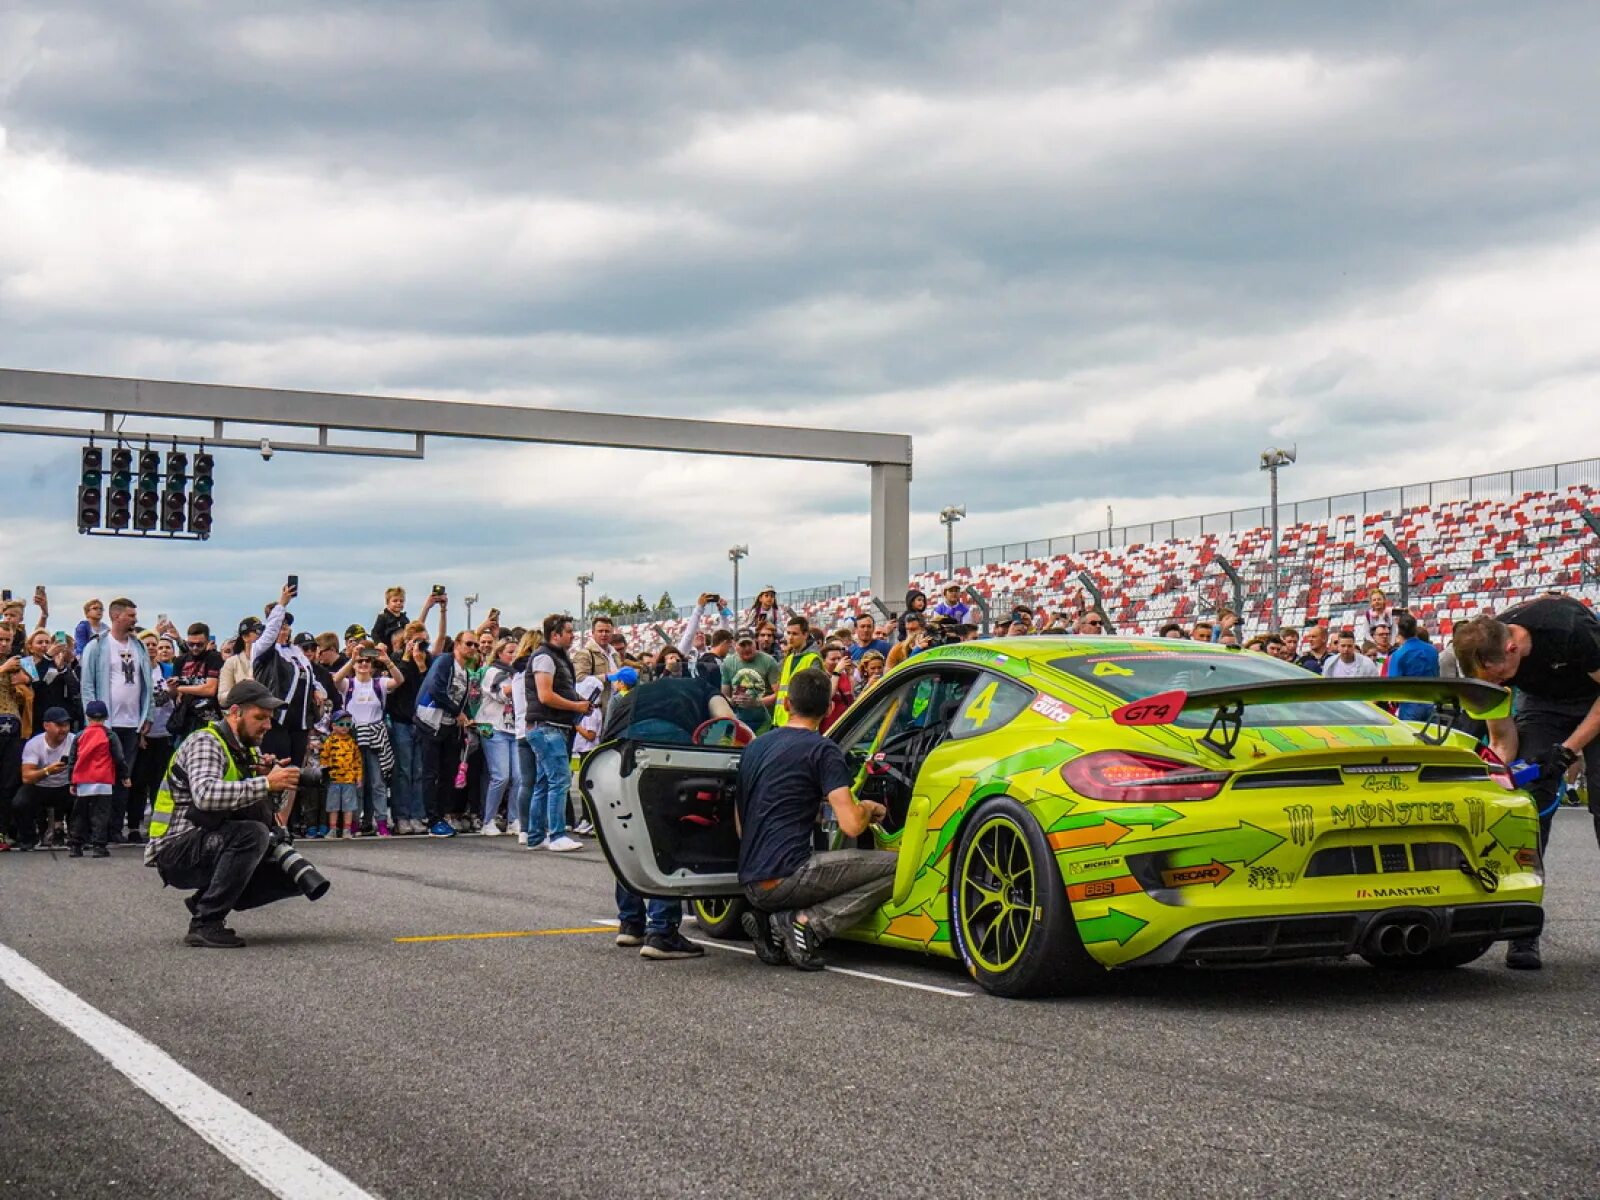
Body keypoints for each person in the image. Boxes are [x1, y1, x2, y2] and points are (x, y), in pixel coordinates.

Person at [1452, 596, 1600, 970]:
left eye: (1502, 676)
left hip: (1593, 696)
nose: (1501, 683)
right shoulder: (1487, 662)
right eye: (1493, 682)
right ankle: (1523, 931)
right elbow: (1502, 740)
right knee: (1529, 807)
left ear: (1512, 648)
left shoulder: (1570, 630)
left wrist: (1567, 751)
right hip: (1544, 705)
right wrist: (1500, 782)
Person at [736, 669, 896, 971]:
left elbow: (741, 819)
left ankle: (769, 917)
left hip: (749, 879)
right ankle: (807, 923)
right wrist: (869, 808)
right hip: (789, 875)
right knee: (900, 869)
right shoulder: (823, 750)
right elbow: (851, 824)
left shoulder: (755, 747)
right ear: (827, 709)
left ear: (786, 704)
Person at [144, 680, 307, 948]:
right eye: (260, 717)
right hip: (175, 848)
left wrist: (273, 784)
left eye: (270, 719)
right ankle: (205, 923)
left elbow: (268, 811)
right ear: (235, 712)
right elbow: (206, 794)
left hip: (207, 838)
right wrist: (265, 783)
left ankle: (205, 899)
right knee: (252, 835)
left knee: (291, 870)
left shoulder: (246, 750)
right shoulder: (206, 742)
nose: (267, 726)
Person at [601, 665, 737, 960]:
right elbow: (727, 723)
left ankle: (630, 923)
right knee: (667, 833)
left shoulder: (643, 690)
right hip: (665, 741)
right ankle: (662, 932)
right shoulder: (704, 689)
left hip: (613, 749)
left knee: (629, 832)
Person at [79, 597, 152, 843]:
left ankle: (114, 828)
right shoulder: (98, 646)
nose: (135, 620)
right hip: (105, 723)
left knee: (124, 777)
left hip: (132, 723)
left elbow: (147, 684)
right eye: (130, 616)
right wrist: (92, 718)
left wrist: (147, 715)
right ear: (116, 616)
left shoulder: (138, 646)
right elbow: (87, 684)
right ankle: (94, 829)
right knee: (100, 777)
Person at [524, 613, 594, 852]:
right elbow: (545, 696)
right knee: (559, 780)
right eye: (569, 631)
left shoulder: (556, 657)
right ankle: (556, 835)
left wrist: (580, 701)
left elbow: (557, 691)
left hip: (548, 727)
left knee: (544, 783)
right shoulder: (545, 657)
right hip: (547, 727)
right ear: (556, 634)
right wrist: (576, 706)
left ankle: (535, 836)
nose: (573, 635)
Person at [331, 643, 402, 836]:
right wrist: (351, 659)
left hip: (375, 737)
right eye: (360, 661)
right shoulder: (349, 684)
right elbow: (336, 679)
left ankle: (380, 822)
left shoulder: (379, 683)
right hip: (353, 737)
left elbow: (399, 680)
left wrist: (387, 660)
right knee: (356, 783)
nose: (363, 664)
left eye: (367, 661)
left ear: (372, 665)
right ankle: (353, 822)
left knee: (378, 783)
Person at [415, 627, 472, 837]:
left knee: (448, 772)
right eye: (469, 643)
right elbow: (436, 689)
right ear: (457, 644)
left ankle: (440, 815)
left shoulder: (465, 671)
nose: (472, 648)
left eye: (474, 645)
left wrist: (466, 715)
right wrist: (458, 712)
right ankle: (432, 819)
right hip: (431, 723)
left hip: (449, 727)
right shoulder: (445, 662)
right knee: (430, 773)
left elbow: (461, 699)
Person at [66, 700, 130, 857]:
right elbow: (119, 757)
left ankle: (76, 846)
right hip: (103, 780)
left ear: (87, 717)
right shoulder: (110, 735)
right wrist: (124, 775)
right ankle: (99, 847)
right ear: (106, 717)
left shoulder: (80, 736)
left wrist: (72, 781)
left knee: (80, 814)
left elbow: (72, 760)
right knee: (100, 815)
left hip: (83, 780)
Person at [476, 636, 522, 835]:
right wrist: (522, 680)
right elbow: (502, 694)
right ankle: (488, 820)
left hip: (514, 729)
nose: (514, 656)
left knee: (519, 777)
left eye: (516, 652)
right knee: (500, 776)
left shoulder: (518, 674)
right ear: (500, 653)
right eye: (510, 652)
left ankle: (514, 819)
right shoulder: (493, 672)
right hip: (495, 728)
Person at [15, 706, 74, 850]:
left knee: (87, 795)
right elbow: (26, 777)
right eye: (59, 725)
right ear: (46, 726)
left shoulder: (75, 741)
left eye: (66, 725)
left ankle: (77, 836)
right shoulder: (34, 744)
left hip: (66, 786)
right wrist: (48, 771)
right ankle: (28, 838)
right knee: (20, 803)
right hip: (40, 787)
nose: (64, 729)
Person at [1385, 611, 1440, 722]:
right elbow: (1436, 673)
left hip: (1410, 705)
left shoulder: (1398, 655)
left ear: (1399, 632)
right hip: (1430, 702)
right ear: (1415, 629)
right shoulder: (1432, 650)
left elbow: (1393, 684)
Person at [722, 630, 780, 732]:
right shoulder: (728, 663)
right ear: (735, 645)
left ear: (755, 642)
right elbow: (724, 695)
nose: (747, 648)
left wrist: (756, 702)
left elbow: (779, 694)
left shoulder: (768, 661)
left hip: (766, 721)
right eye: (743, 645)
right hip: (739, 721)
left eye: (749, 644)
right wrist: (733, 701)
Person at [319, 711, 364, 838]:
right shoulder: (330, 741)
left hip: (349, 780)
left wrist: (359, 776)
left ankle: (347, 829)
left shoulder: (352, 742)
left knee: (348, 807)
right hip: (334, 779)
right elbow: (324, 757)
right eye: (342, 724)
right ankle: (333, 829)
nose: (345, 727)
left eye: (348, 724)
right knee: (333, 806)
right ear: (333, 725)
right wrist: (325, 771)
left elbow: (357, 761)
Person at [772, 615, 821, 728]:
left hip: (801, 723)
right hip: (781, 721)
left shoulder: (813, 658)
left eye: (795, 634)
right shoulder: (789, 658)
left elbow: (814, 695)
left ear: (805, 635)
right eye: (788, 633)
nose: (790, 637)